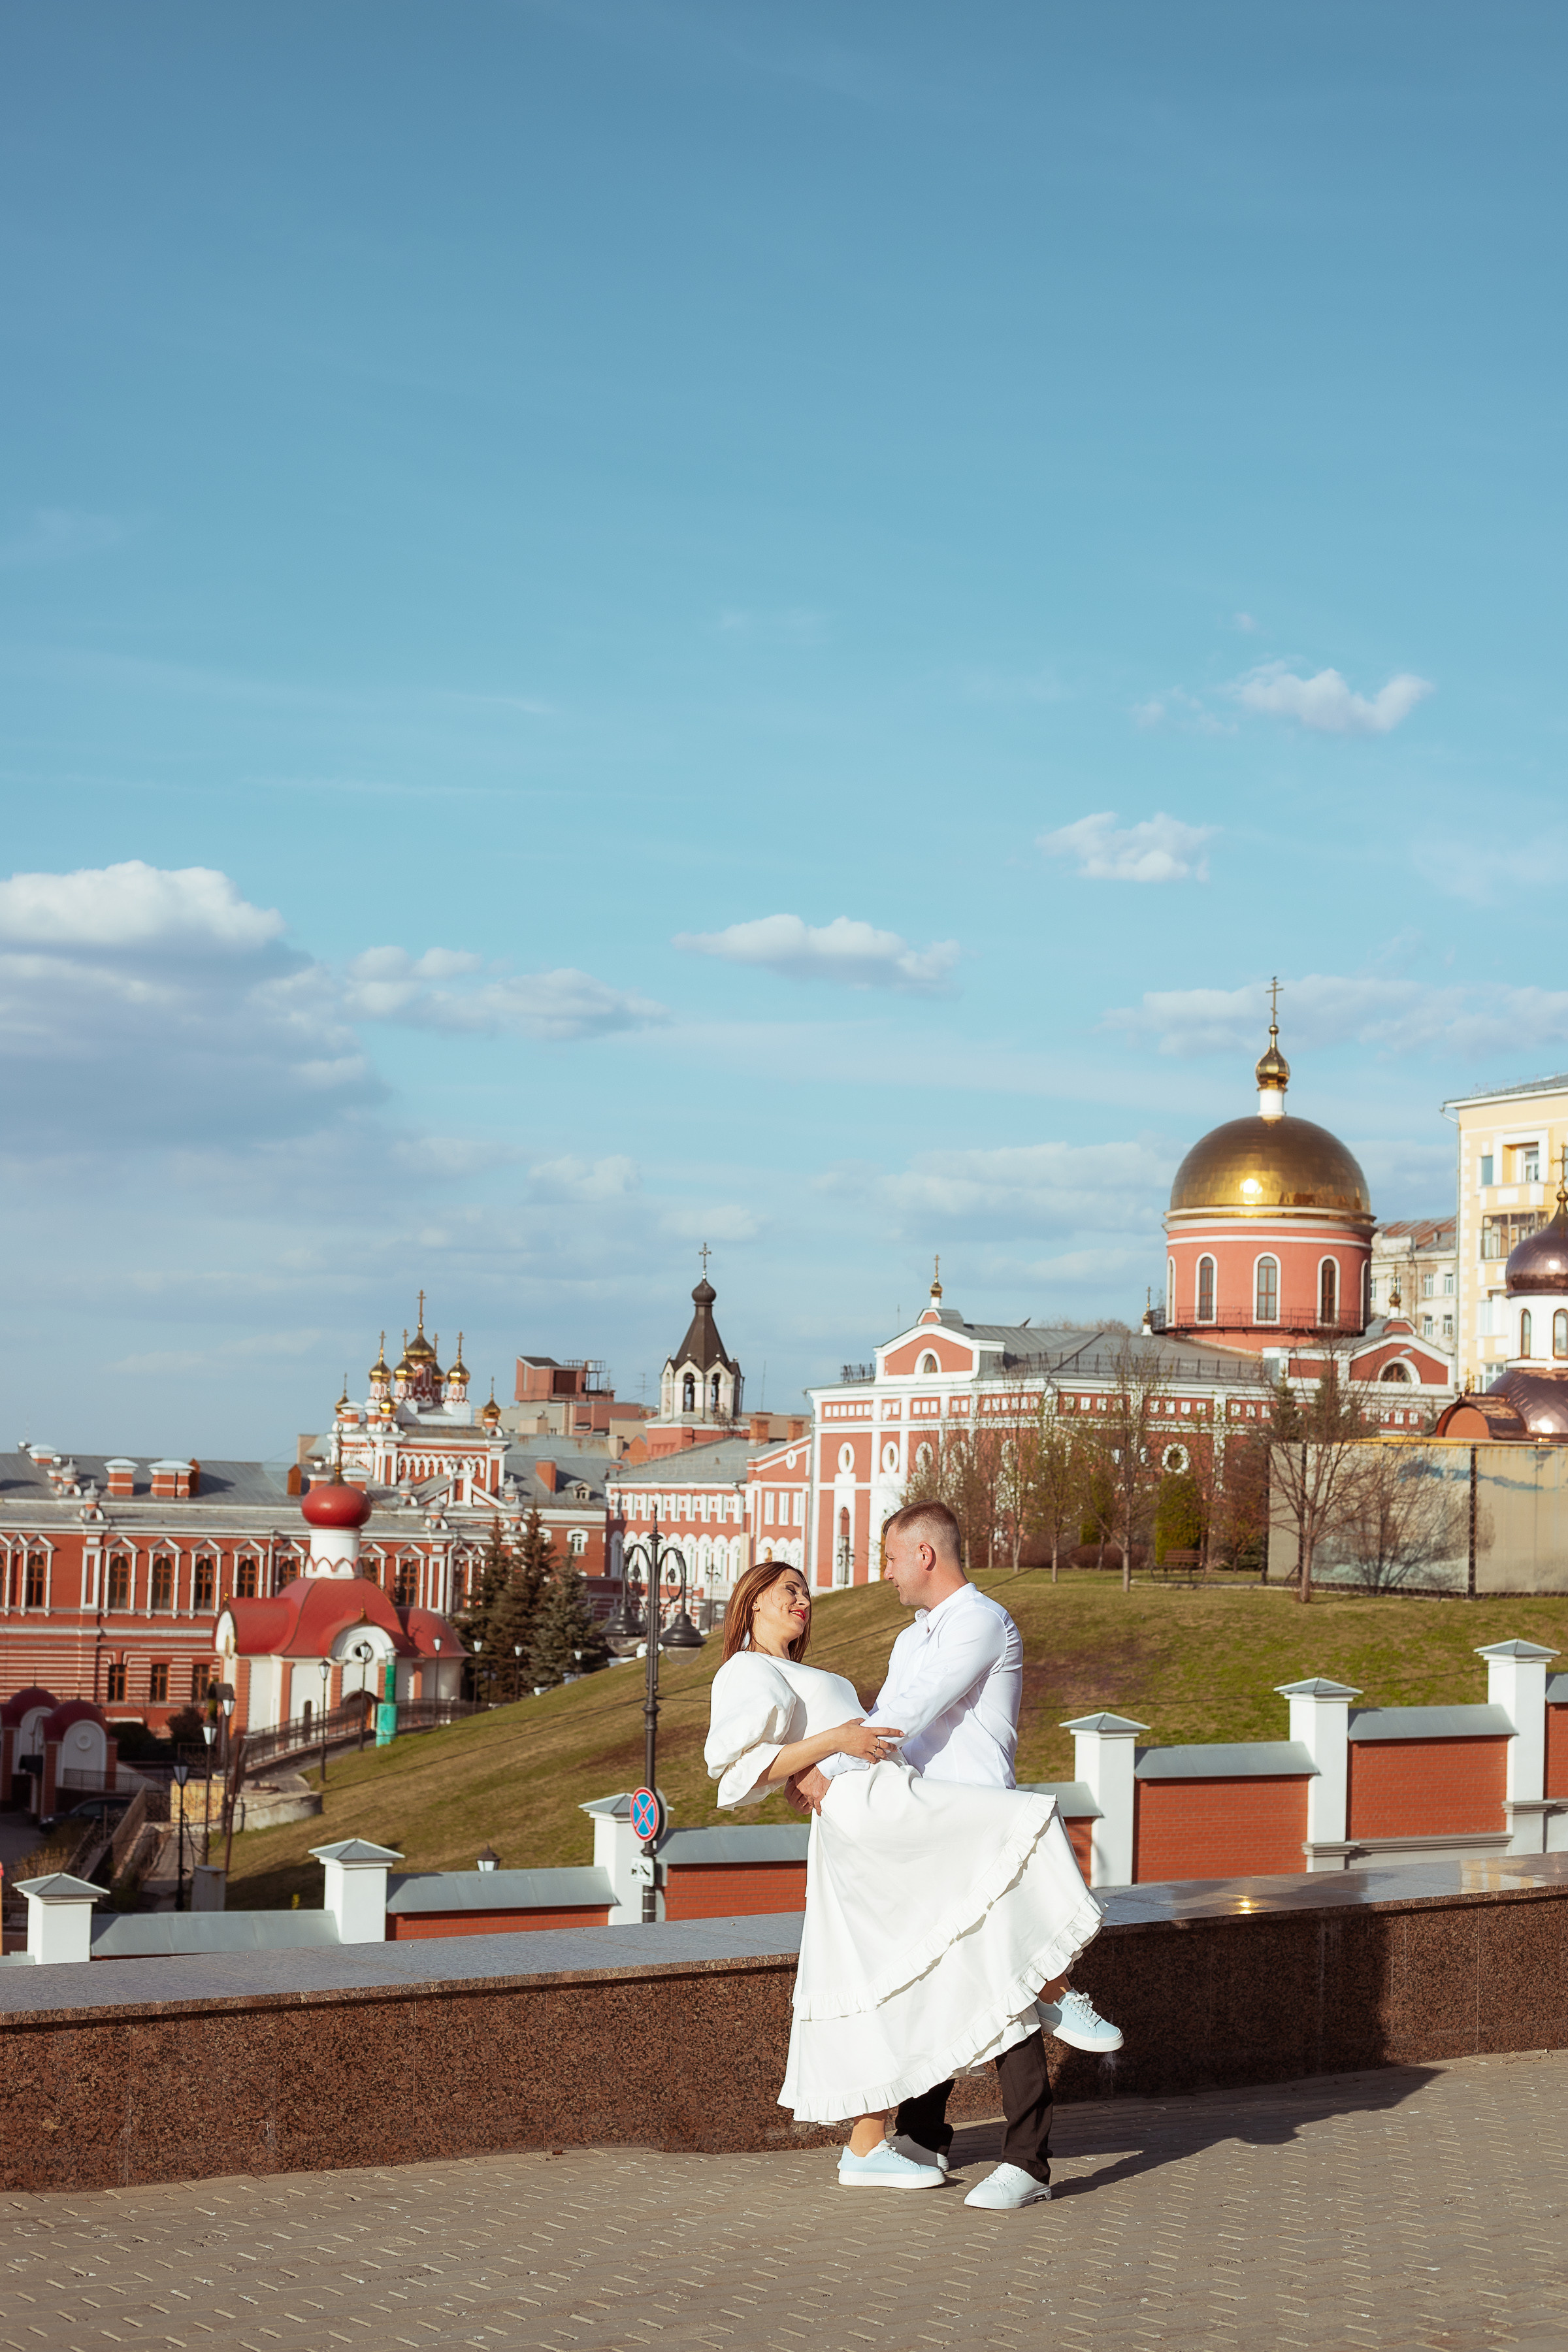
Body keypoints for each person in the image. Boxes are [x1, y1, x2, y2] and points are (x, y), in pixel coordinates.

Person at [705, 1552, 1103, 2199]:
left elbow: (814, 1752)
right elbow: (736, 1773)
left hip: (873, 1810)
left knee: (906, 1969)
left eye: (806, 1592)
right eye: (787, 1591)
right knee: (1016, 1823)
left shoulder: (793, 1670)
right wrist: (832, 1745)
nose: (801, 1601)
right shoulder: (748, 1669)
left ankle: (870, 2146)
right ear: (751, 1602)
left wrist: (826, 1755)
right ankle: (1055, 1987)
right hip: (870, 1814)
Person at [789, 1499, 1122, 2211]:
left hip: (976, 1829)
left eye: (889, 1559)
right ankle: (922, 2137)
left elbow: (911, 1709)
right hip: (923, 1830)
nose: (885, 1575)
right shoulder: (914, 1637)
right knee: (932, 1977)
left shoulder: (980, 1620)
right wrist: (830, 1770)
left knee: (1005, 1997)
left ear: (925, 1555)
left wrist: (830, 1771)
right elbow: (894, 1716)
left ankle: (1029, 2162)